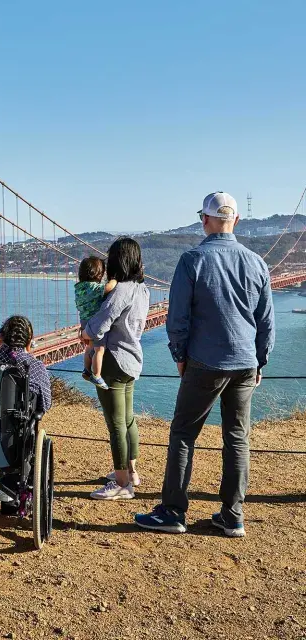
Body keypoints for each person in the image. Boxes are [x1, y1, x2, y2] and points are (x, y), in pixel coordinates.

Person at [135, 192, 275, 537]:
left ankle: (172, 512)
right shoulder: (257, 263)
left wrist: (179, 355)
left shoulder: (192, 259)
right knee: (237, 438)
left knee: (183, 434)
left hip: (205, 361)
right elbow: (266, 321)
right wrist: (260, 361)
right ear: (237, 221)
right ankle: (232, 516)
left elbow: (177, 316)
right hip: (245, 362)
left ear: (205, 220)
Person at [82, 237, 149, 500]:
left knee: (116, 424)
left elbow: (101, 322)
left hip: (113, 361)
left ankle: (122, 484)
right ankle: (131, 472)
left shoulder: (120, 290)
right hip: (132, 360)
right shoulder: (143, 290)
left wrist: (84, 332)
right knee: (128, 419)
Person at [0, 315, 52, 504]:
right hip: (13, 444)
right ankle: (8, 492)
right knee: (20, 428)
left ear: (0, 338)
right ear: (29, 342)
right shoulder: (35, 367)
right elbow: (45, 404)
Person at [75, 256, 117, 389]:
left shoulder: (79, 288)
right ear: (97, 274)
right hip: (94, 321)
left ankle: (86, 370)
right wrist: (115, 279)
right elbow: (109, 287)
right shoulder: (94, 288)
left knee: (89, 347)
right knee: (99, 349)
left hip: (83, 320)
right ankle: (96, 375)